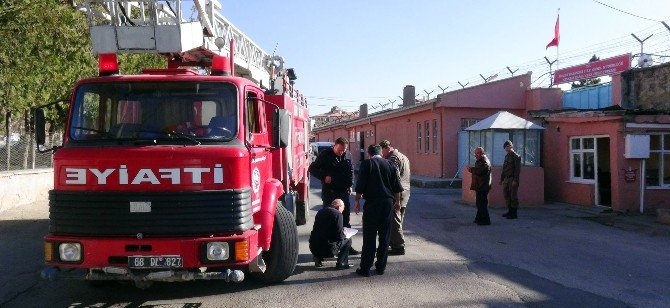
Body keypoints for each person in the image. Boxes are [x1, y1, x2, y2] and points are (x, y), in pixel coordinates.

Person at [353, 145, 403, 277]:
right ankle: (381, 267)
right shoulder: (390, 164)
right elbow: (397, 186)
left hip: (372, 204)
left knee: (369, 237)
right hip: (387, 203)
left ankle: (365, 268)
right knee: (384, 236)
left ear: (369, 154)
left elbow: (360, 186)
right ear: (381, 153)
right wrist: (397, 202)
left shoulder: (366, 164)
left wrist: (357, 201)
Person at [309, 137, 359, 255]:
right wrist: (324, 176)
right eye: (340, 150)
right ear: (334, 146)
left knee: (345, 219)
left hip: (343, 191)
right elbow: (312, 168)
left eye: (344, 150)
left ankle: (346, 246)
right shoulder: (325, 154)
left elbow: (351, 170)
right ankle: (328, 247)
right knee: (330, 218)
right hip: (330, 191)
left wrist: (350, 185)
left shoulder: (347, 155)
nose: (342, 152)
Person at [379, 139, 411, 255]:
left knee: (394, 220)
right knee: (398, 218)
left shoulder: (393, 158)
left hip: (396, 192)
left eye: (382, 151)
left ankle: (398, 246)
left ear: (387, 148)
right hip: (405, 192)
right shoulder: (403, 156)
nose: (381, 154)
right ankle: (394, 243)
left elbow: (394, 177)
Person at [309, 199, 352, 269]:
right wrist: (344, 233)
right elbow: (340, 236)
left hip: (314, 248)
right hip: (328, 250)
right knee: (348, 239)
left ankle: (318, 257)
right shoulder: (338, 214)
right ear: (339, 207)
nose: (342, 211)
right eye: (342, 209)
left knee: (321, 236)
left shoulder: (320, 212)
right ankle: (341, 263)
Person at [467, 147, 492, 225]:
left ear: (482, 153)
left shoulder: (484, 161)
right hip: (480, 185)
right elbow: (478, 169)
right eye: (475, 153)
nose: (475, 155)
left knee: (481, 203)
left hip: (483, 186)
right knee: (480, 203)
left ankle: (485, 220)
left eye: (477, 153)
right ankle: (479, 218)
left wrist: (471, 169)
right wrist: (473, 169)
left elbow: (480, 171)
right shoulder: (481, 160)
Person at [500, 140, 521, 219]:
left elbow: (517, 170)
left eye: (508, 147)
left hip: (512, 178)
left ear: (511, 147)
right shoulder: (507, 156)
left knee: (513, 196)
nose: (507, 148)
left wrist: (515, 180)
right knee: (506, 195)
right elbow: (504, 168)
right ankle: (509, 211)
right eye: (506, 147)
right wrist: (501, 179)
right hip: (506, 179)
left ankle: (514, 213)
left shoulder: (516, 156)